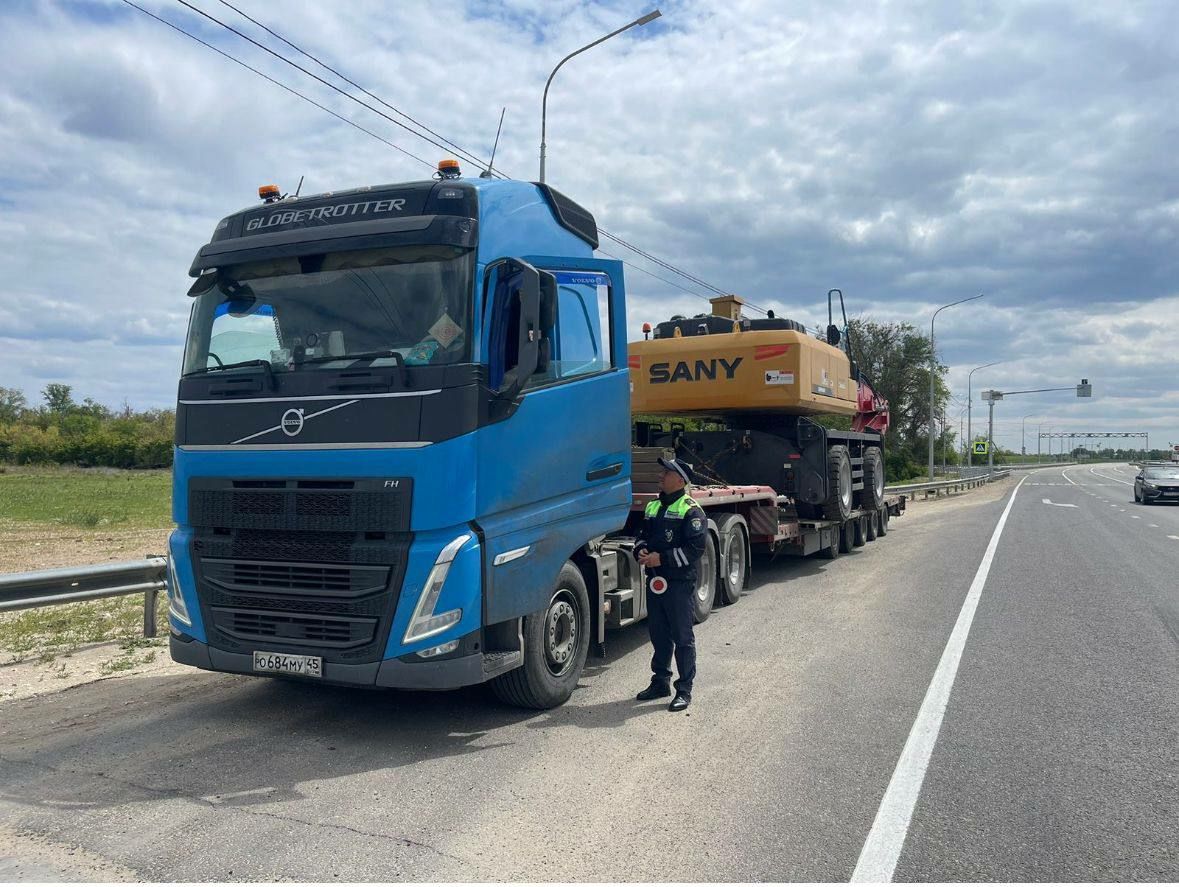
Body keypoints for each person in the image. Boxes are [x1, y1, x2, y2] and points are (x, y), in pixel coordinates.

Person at [633, 456, 707, 712]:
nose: (661, 475)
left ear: (680, 480)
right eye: (662, 471)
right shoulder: (653, 506)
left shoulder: (691, 510)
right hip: (655, 581)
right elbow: (641, 537)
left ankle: (684, 689)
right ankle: (660, 682)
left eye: (667, 472)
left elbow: (695, 549)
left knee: (682, 637)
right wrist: (641, 553)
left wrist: (660, 558)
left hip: (678, 583)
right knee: (659, 635)